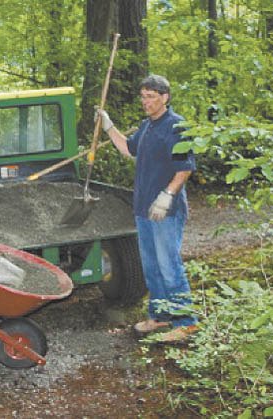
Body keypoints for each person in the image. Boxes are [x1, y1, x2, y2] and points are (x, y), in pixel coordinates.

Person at [96, 74, 198, 343]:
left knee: (169, 265)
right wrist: (109, 126)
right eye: (143, 96)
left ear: (165, 98)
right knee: (151, 266)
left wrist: (167, 195)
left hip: (166, 211)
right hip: (143, 210)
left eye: (150, 96)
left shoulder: (176, 126)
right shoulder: (147, 126)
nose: (145, 101)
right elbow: (128, 150)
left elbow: (184, 168)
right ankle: (161, 315)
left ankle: (186, 322)